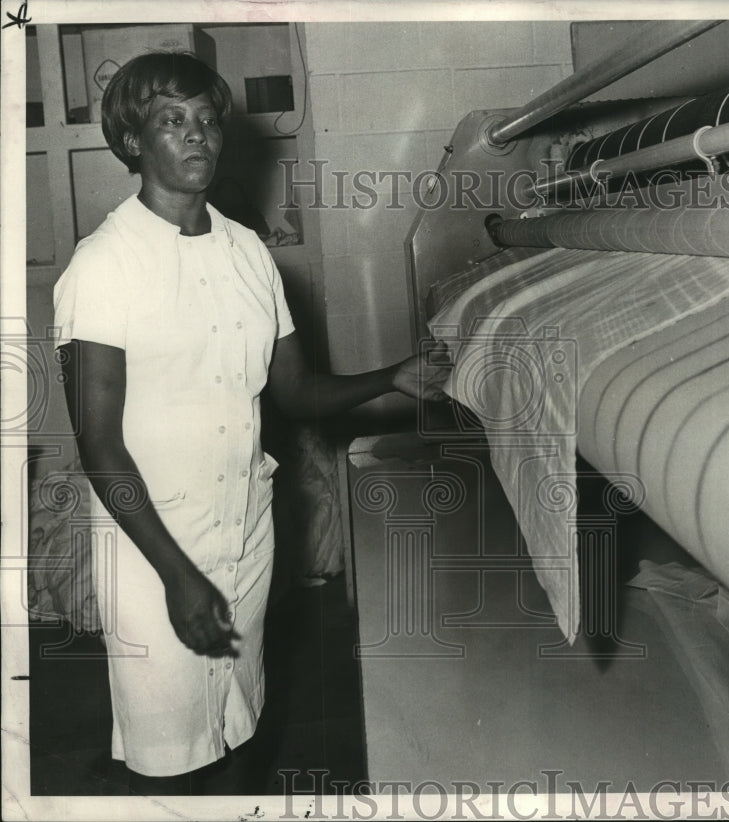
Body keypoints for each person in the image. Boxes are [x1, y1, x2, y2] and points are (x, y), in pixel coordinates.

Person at [53, 51, 448, 795]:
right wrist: (176, 577)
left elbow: (294, 393)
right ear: (134, 142)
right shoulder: (102, 268)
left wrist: (391, 375)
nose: (197, 136)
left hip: (247, 529)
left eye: (207, 120)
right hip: (153, 547)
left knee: (244, 722)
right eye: (173, 121)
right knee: (168, 752)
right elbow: (100, 446)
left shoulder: (247, 254)